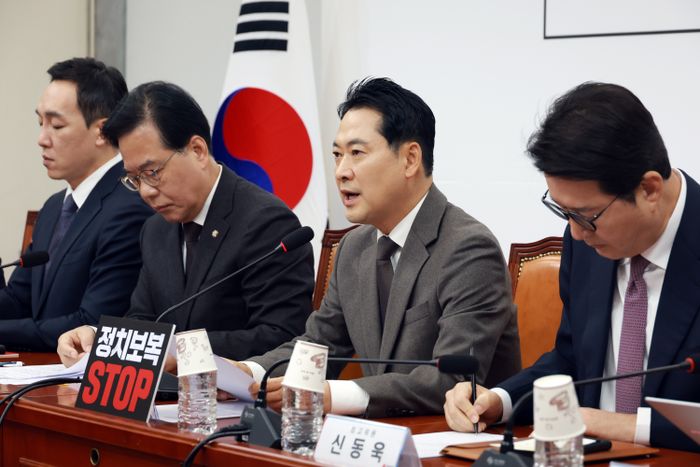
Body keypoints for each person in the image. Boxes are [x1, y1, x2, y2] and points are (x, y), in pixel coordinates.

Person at [237, 77, 520, 418]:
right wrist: (248, 373)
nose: (341, 172)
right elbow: (318, 347)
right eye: (337, 155)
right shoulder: (354, 247)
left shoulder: (468, 249)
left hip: (451, 437)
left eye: (357, 153)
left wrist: (333, 395)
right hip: (382, 434)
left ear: (410, 159)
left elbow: (451, 380)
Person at [444, 82, 700, 452]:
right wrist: (499, 400)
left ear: (649, 189)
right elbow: (572, 359)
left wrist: (623, 426)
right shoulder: (586, 244)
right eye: (564, 212)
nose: (576, 233)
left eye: (586, 216)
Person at [57, 81, 314, 364]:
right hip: (170, 390)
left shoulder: (266, 223)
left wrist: (179, 350)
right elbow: (143, 320)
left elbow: (280, 336)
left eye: (152, 172)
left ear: (197, 150)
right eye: (134, 178)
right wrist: (98, 338)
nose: (146, 192)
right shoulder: (155, 229)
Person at [0, 58, 152, 351]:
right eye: (40, 123)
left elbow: (90, 322)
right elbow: (19, 299)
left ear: (102, 132)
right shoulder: (54, 206)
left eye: (56, 125)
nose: (42, 139)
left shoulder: (130, 207)